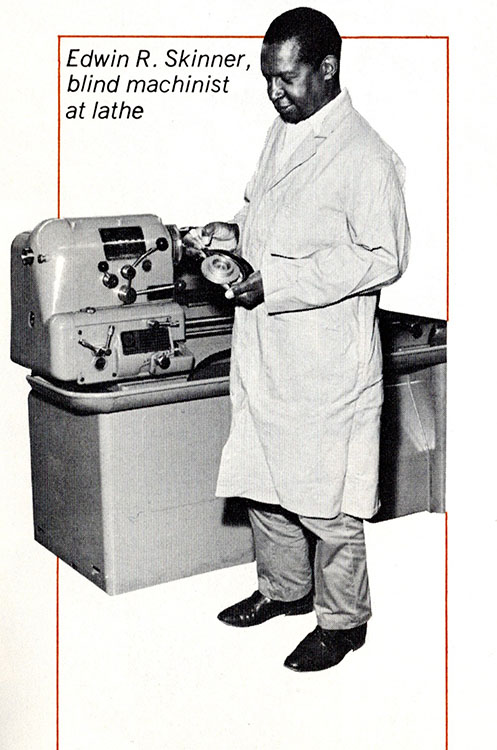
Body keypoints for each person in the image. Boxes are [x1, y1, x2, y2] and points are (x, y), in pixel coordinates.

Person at [183, 6, 409, 672]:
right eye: (267, 81)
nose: (274, 94)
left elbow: (381, 257)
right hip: (268, 349)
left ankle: (342, 622)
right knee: (262, 478)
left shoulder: (366, 156)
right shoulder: (283, 131)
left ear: (327, 69)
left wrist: (274, 282)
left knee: (324, 499)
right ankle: (283, 589)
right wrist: (228, 235)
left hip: (323, 361)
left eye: (285, 79)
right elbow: (259, 209)